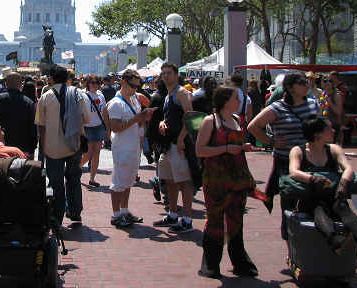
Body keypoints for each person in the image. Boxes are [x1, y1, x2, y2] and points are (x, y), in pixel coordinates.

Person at [247, 72, 320, 243]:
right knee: (289, 203)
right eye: (302, 82)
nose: (307, 84)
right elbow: (253, 126)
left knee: (311, 202)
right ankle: (291, 244)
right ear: (290, 87)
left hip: (310, 161)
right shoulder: (277, 107)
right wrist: (271, 141)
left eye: (307, 81)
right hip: (285, 161)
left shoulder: (313, 105)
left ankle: (309, 241)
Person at [196, 86, 258, 279]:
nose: (239, 102)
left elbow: (236, 147)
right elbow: (200, 150)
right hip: (216, 179)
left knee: (236, 220)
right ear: (225, 101)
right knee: (215, 220)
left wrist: (242, 147)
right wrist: (225, 148)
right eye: (235, 99)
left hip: (237, 178)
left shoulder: (237, 120)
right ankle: (211, 264)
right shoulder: (210, 121)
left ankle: (240, 262)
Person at [289, 116, 357, 252]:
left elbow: (348, 168)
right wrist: (315, 179)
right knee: (318, 210)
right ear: (317, 134)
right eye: (329, 129)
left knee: (345, 210)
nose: (334, 131)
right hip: (311, 198)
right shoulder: (298, 151)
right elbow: (293, 172)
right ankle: (335, 240)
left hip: (333, 195)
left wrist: (343, 184)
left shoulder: (333, 149)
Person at [35, 65, 88, 225]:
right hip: (74, 145)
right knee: (74, 179)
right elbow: (86, 118)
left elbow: (41, 125)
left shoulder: (46, 97)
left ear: (51, 79)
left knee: (56, 183)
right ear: (67, 78)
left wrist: (43, 147)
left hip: (53, 147)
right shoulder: (77, 94)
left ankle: (57, 217)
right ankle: (75, 211)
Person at [107, 69, 153, 227]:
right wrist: (136, 119)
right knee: (119, 181)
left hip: (133, 145)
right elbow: (115, 127)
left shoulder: (134, 99)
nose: (136, 89)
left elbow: (136, 121)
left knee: (128, 181)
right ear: (125, 83)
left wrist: (143, 118)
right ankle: (116, 215)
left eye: (138, 87)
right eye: (133, 86)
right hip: (122, 147)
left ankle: (125, 211)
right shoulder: (116, 103)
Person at [153, 62, 195, 234]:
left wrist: (181, 139)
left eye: (169, 73)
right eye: (163, 73)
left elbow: (191, 118)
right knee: (169, 181)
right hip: (167, 146)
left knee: (184, 182)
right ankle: (172, 214)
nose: (166, 76)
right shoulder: (168, 94)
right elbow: (169, 116)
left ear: (176, 75)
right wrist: (162, 122)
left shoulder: (181, 93)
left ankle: (187, 219)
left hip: (178, 146)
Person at [0, 72, 37, 157]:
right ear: (21, 85)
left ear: (6, 84)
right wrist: (32, 148)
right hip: (22, 148)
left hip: (0, 147)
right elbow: (33, 128)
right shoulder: (28, 103)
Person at [80, 75, 111, 187]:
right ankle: (77, 169)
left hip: (98, 127)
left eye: (97, 83)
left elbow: (105, 113)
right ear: (88, 83)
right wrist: (81, 129)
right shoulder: (83, 95)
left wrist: (107, 129)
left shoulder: (101, 96)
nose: (95, 85)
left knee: (97, 153)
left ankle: (92, 178)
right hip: (87, 127)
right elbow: (80, 114)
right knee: (88, 154)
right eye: (93, 83)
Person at [321, 74, 344, 146]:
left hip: (333, 126)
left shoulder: (336, 95)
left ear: (332, 83)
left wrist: (329, 101)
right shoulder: (323, 94)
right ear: (322, 83)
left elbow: (338, 112)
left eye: (330, 81)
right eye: (325, 81)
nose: (327, 83)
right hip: (323, 125)